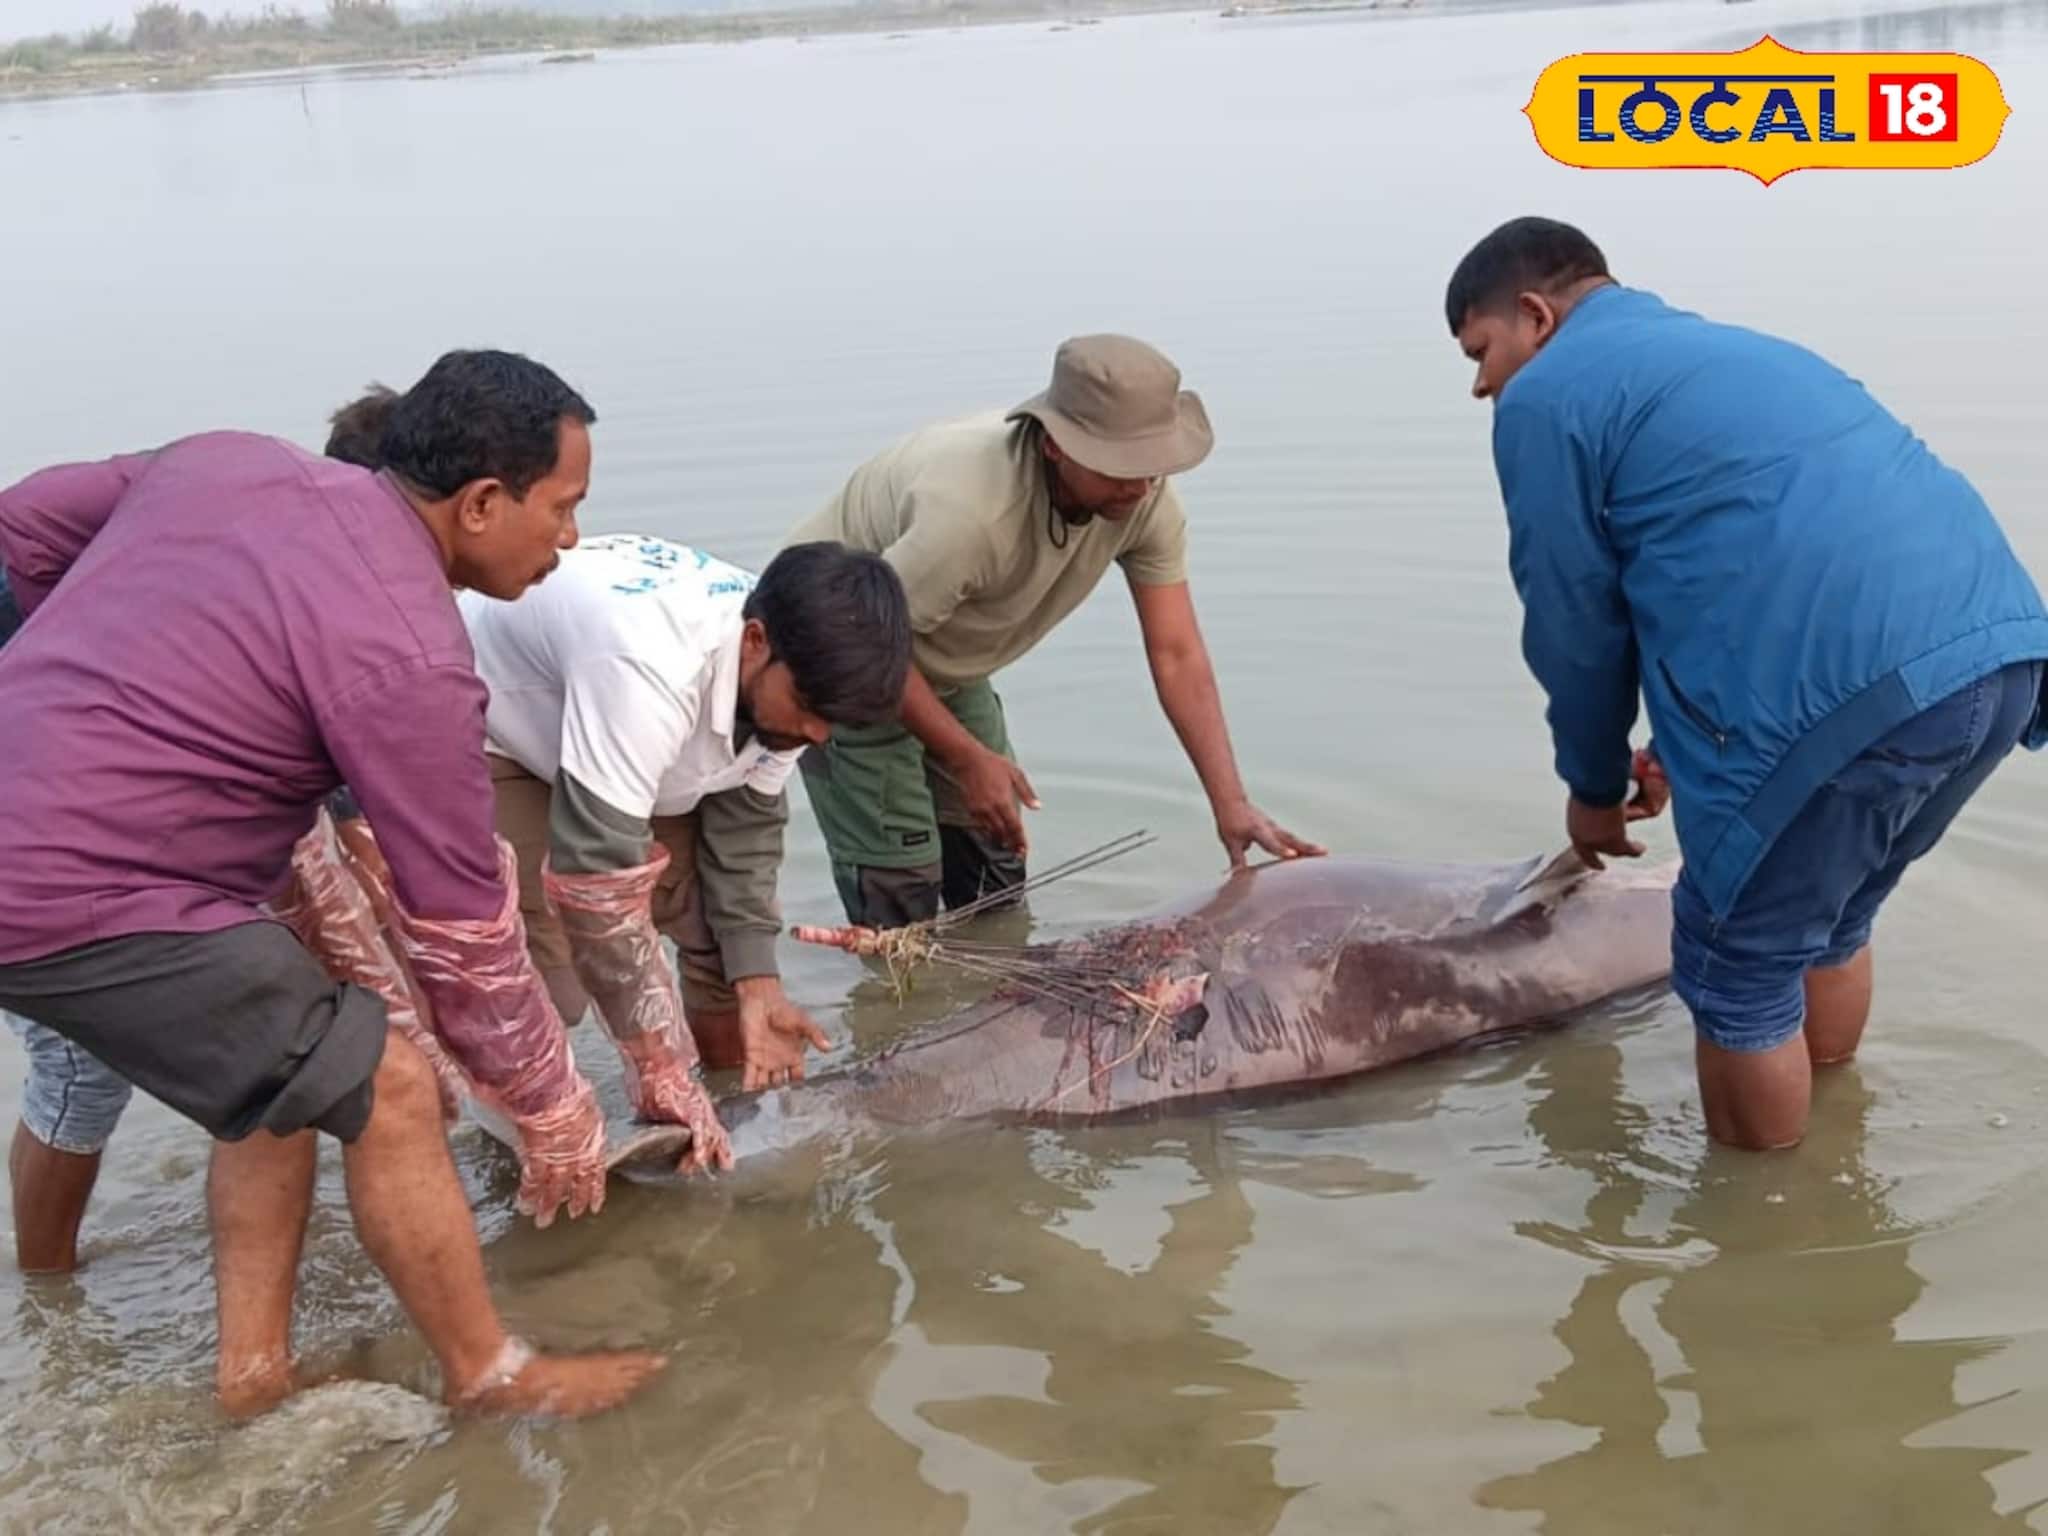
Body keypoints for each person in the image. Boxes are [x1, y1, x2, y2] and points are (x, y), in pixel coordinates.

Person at [0, 349, 714, 1420]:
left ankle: (253, 1377)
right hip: (79, 889)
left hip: (67, 846)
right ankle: (490, 1376)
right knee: (387, 1088)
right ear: (480, 503)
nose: (570, 539)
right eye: (563, 507)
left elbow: (20, 534)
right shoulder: (412, 658)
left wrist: (86, 675)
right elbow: (467, 942)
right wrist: (555, 1108)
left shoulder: (222, 463)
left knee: (285, 1072)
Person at [1445, 215, 2048, 1151]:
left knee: (1737, 970)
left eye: (1481, 351)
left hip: (1855, 694)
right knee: (1833, 922)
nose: (1482, 384)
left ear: (1534, 315)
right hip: (1998, 656)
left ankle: (1765, 1237)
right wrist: (1667, 751)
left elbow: (1572, 618)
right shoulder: (1728, 351)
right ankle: (1834, 1135)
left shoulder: (1548, 396)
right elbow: (1753, 570)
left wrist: (1593, 788)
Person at [4, 383, 405, 1277]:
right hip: (33, 777)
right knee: (80, 1064)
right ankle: (46, 1287)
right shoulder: (257, 538)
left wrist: (355, 823)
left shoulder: (286, 538)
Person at [782, 333, 1323, 929]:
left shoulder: (1146, 502)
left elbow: (1177, 653)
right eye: (1120, 465)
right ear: (1055, 447)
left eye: (1152, 465)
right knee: (900, 898)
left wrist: (1231, 803)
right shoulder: (968, 514)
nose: (1140, 486)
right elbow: (868, 646)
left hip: (943, 654)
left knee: (995, 870)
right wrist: (965, 756)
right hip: (834, 658)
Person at [458, 532, 912, 1091]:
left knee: (725, 945)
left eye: (832, 722)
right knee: (542, 987)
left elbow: (746, 829)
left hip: (632, 742)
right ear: (754, 641)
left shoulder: (801, 669)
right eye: (811, 711)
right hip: (499, 729)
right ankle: (528, 1150)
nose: (817, 736)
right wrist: (657, 1061)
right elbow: (597, 877)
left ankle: (733, 1106)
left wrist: (759, 983)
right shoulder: (650, 667)